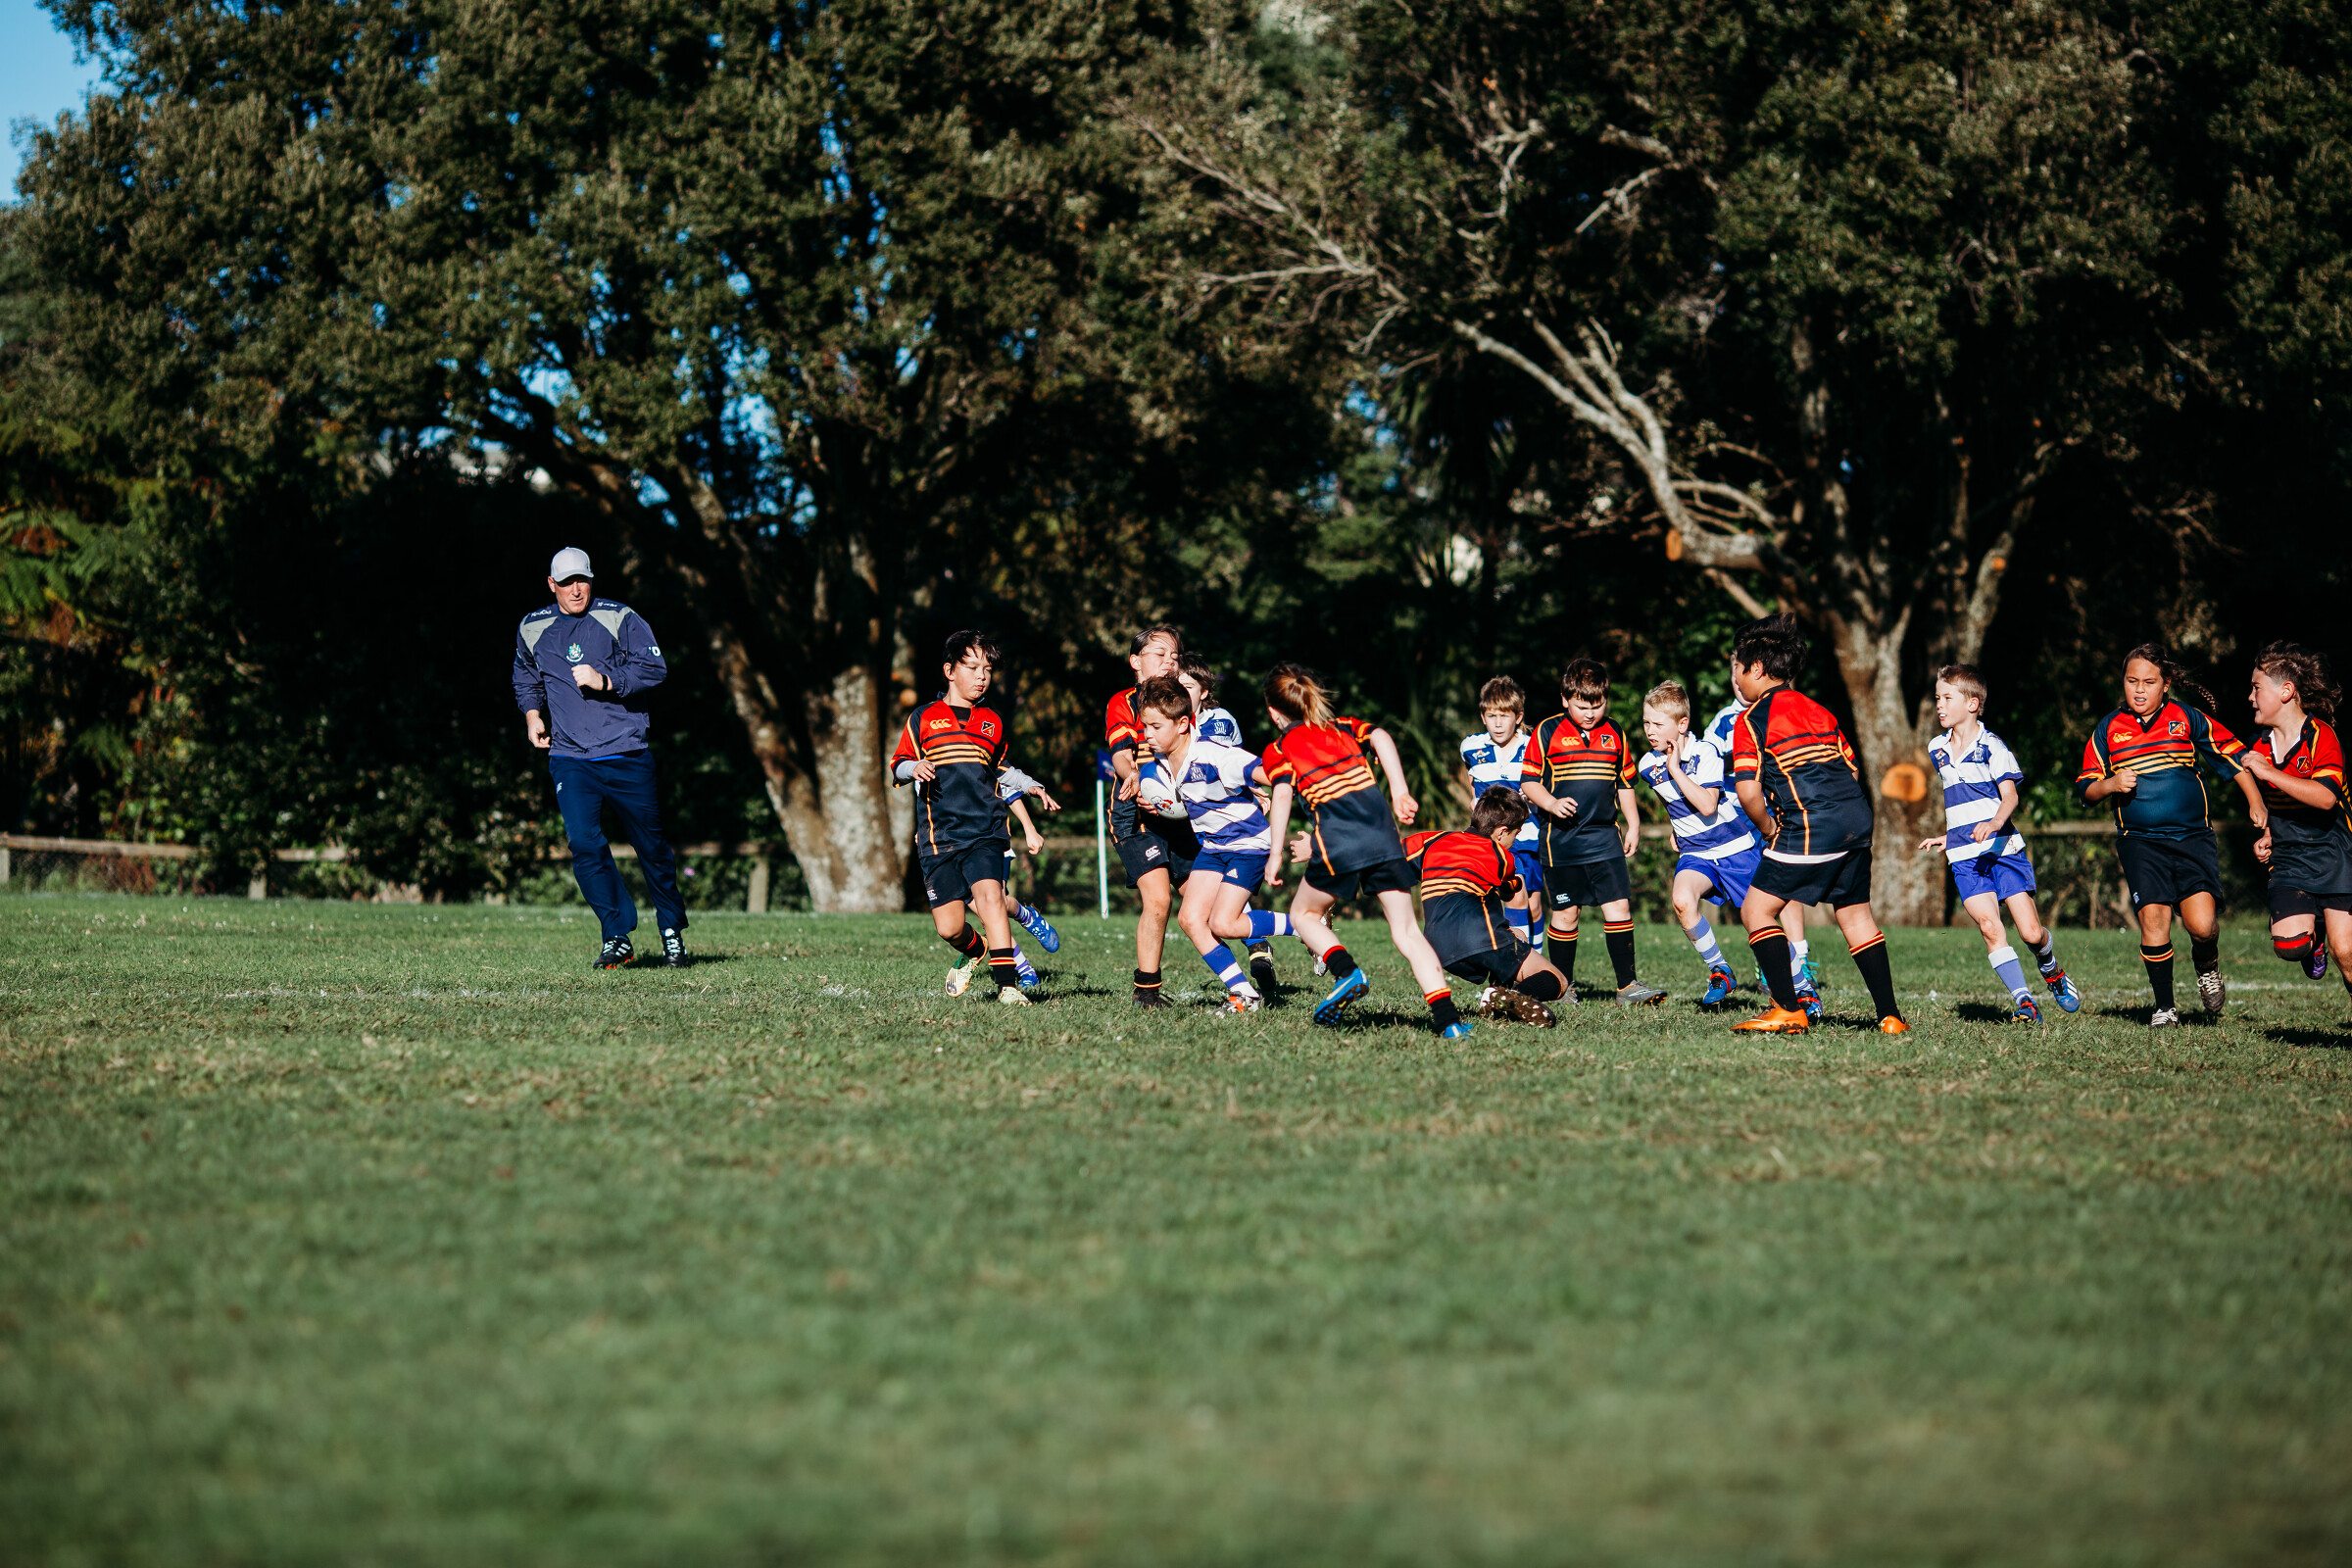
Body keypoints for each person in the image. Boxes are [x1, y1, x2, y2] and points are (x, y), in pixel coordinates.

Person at [1258, 662, 1468, 1036]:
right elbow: (1381, 736)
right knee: (1408, 931)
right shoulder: (1342, 727)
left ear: (1274, 713)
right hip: (1384, 837)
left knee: (1303, 914)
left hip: (1338, 840)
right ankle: (1449, 1021)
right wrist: (1400, 791)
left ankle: (1346, 972)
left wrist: (1275, 854)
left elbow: (1283, 794)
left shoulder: (1278, 750)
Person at [1725, 613, 1908, 1034]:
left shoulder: (1751, 720)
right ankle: (1891, 1017)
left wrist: (1770, 829)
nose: (1736, 678)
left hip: (1810, 823)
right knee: (1856, 916)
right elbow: (1852, 770)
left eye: (1739, 669)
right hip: (1856, 819)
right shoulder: (1819, 710)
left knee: (1756, 909)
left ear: (1756, 669)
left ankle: (1788, 1008)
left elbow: (1748, 793)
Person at [511, 547, 690, 970]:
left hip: (626, 752)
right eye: (566, 582)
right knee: (584, 845)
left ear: (591, 580)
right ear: (551, 585)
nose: (576, 589)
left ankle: (671, 930)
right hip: (570, 757)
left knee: (651, 847)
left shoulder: (619, 618)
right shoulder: (532, 627)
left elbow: (654, 668)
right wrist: (533, 715)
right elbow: (525, 675)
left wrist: (605, 680)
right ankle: (616, 935)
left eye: (583, 580)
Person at [2075, 643, 2263, 1027]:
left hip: (2193, 838)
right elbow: (2085, 790)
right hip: (2140, 842)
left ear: (2166, 684)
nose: (2139, 689)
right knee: (2154, 919)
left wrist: (2255, 801)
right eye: (2132, 681)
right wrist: (2110, 784)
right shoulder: (2108, 729)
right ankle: (2165, 1007)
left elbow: (2233, 757)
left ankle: (2206, 964)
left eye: (2149, 682)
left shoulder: (2187, 718)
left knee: (2202, 927)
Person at [1913, 665, 2082, 1021]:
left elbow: (2010, 798)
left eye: (1947, 698)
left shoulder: (1993, 747)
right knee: (1990, 927)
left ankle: (2051, 969)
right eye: (1938, 697)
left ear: (1972, 704)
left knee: (2031, 934)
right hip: (1965, 857)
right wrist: (1951, 836)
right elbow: (1962, 802)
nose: (1939, 705)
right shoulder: (1936, 748)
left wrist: (1993, 823)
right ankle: (2025, 1001)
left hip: (2003, 851)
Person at [889, 629, 1033, 1005]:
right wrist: (913, 767)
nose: (981, 676)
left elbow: (1000, 768)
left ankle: (1007, 986)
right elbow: (898, 764)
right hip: (939, 837)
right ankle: (976, 949)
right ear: (950, 671)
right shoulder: (923, 718)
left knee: (990, 898)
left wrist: (1030, 785)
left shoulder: (992, 722)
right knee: (950, 927)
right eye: (972, 668)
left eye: (987, 669)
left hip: (985, 830)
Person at [1134, 676, 1294, 1011]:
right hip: (1214, 847)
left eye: (1155, 726)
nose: (1147, 734)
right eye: (1145, 726)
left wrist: (1265, 786)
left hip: (1247, 843)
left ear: (1182, 724)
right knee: (1191, 920)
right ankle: (1245, 994)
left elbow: (1275, 776)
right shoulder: (1164, 763)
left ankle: (1306, 925)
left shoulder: (1214, 754)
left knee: (1224, 923)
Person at [1521, 659, 1665, 1005]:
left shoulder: (1615, 732)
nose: (1590, 714)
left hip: (1604, 839)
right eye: (1582, 706)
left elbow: (1625, 783)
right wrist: (1552, 803)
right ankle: (1562, 986)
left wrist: (1634, 824)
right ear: (1565, 699)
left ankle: (1627, 986)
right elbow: (1528, 782)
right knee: (1566, 913)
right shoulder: (1546, 731)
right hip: (1561, 842)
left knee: (1619, 907)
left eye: (1597, 706)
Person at [1636, 680, 1762, 1010]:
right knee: (1682, 900)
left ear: (1682, 724)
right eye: (1646, 722)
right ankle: (1720, 970)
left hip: (1734, 848)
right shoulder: (1647, 765)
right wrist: (1675, 826)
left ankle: (1802, 989)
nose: (1649, 730)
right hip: (1696, 852)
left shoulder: (1705, 752)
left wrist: (1675, 769)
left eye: (1657, 723)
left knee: (1759, 920)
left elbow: (1707, 805)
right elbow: (1671, 800)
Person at [2236, 643, 2352, 1003]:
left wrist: (2269, 772)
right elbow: (2280, 805)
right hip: (2290, 859)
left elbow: (2325, 797)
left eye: (2257, 688)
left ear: (2286, 691)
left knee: (2347, 954)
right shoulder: (2260, 746)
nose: (2250, 697)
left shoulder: (2320, 736)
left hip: (2336, 854)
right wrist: (2268, 833)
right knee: (2290, 945)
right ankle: (2313, 937)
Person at [1404, 787, 1571, 1028]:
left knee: (1517, 934)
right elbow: (1510, 889)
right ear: (1502, 832)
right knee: (1557, 980)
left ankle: (1499, 998)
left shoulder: (1431, 840)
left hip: (1435, 946)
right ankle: (1505, 997)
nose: (1515, 840)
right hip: (1480, 938)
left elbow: (1392, 861)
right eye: (1516, 833)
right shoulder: (1502, 856)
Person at [1706, 666, 1820, 1005]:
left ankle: (1800, 958)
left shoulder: (1776, 713)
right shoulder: (1724, 722)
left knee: (1788, 886)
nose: (1738, 683)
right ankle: (1768, 961)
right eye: (1733, 676)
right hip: (1737, 819)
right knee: (1756, 894)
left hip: (1777, 812)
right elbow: (1704, 766)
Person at [1105, 626, 1199, 1007]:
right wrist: (1133, 775)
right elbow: (1120, 752)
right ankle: (1146, 992)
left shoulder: (1186, 703)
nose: (1169, 662)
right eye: (1159, 654)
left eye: (1174, 656)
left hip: (1181, 814)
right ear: (1135, 661)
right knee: (1158, 900)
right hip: (1136, 816)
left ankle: (1255, 954)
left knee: (1203, 905)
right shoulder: (1123, 702)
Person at [1177, 653, 1276, 993]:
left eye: (1187, 686)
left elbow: (1222, 764)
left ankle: (1287, 931)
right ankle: (1247, 979)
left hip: (1234, 826)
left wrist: (1256, 788)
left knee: (1221, 916)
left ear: (1204, 691)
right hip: (1204, 826)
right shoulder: (1170, 726)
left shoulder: (1216, 722)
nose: (1179, 693)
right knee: (1194, 916)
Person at [1459, 676, 1543, 948]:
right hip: (1489, 841)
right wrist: (1474, 802)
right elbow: (1472, 783)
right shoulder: (1471, 747)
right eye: (1491, 716)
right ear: (1482, 716)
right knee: (1510, 899)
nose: (1497, 723)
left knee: (1533, 905)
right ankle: (1517, 964)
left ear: (1518, 717)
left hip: (1526, 837)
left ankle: (1537, 961)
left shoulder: (1533, 747)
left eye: (1504, 716)